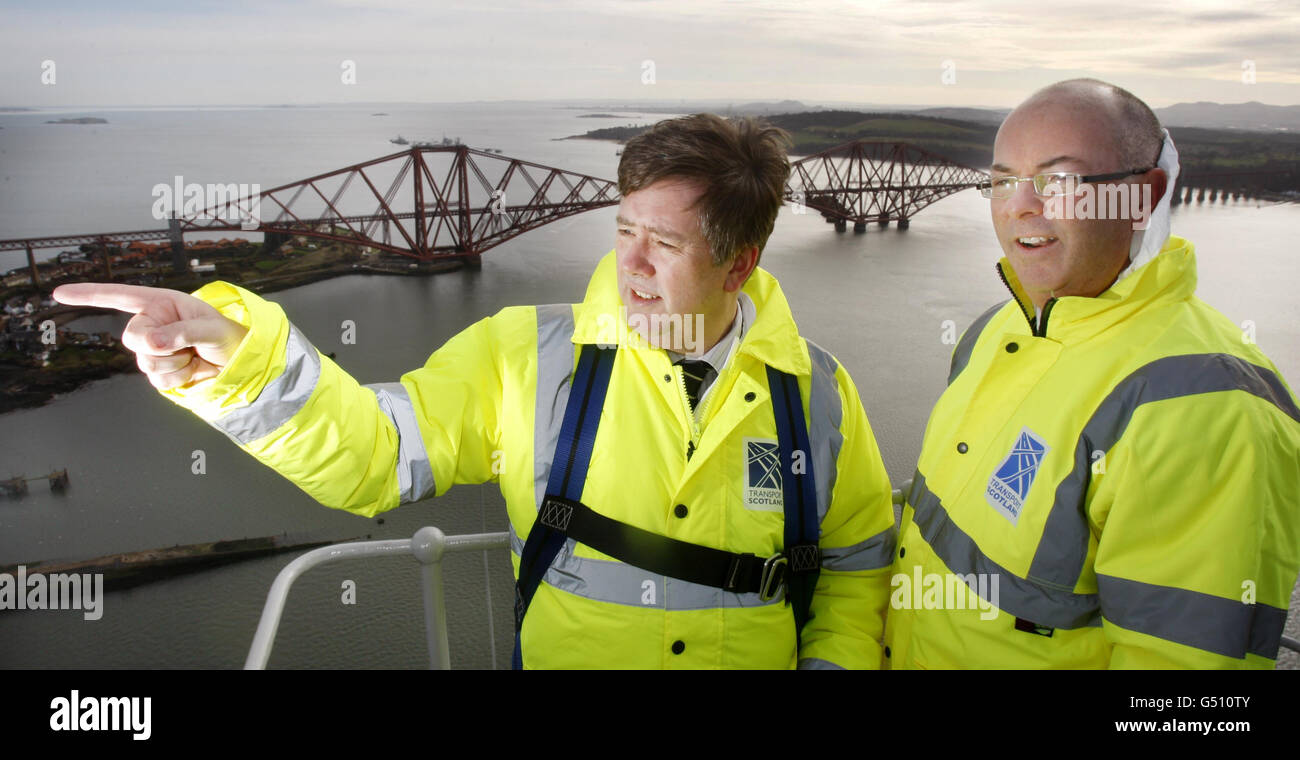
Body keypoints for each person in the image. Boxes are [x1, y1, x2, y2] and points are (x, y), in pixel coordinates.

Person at [54, 114, 897, 669]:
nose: (629, 263)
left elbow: (857, 568)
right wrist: (243, 362)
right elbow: (378, 458)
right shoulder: (522, 355)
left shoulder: (818, 394)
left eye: (664, 244)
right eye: (624, 230)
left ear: (740, 263)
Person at [884, 79, 1300, 669]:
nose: (1021, 206)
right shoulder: (998, 330)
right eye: (1003, 181)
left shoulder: (1209, 407)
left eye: (1060, 181)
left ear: (1143, 195)